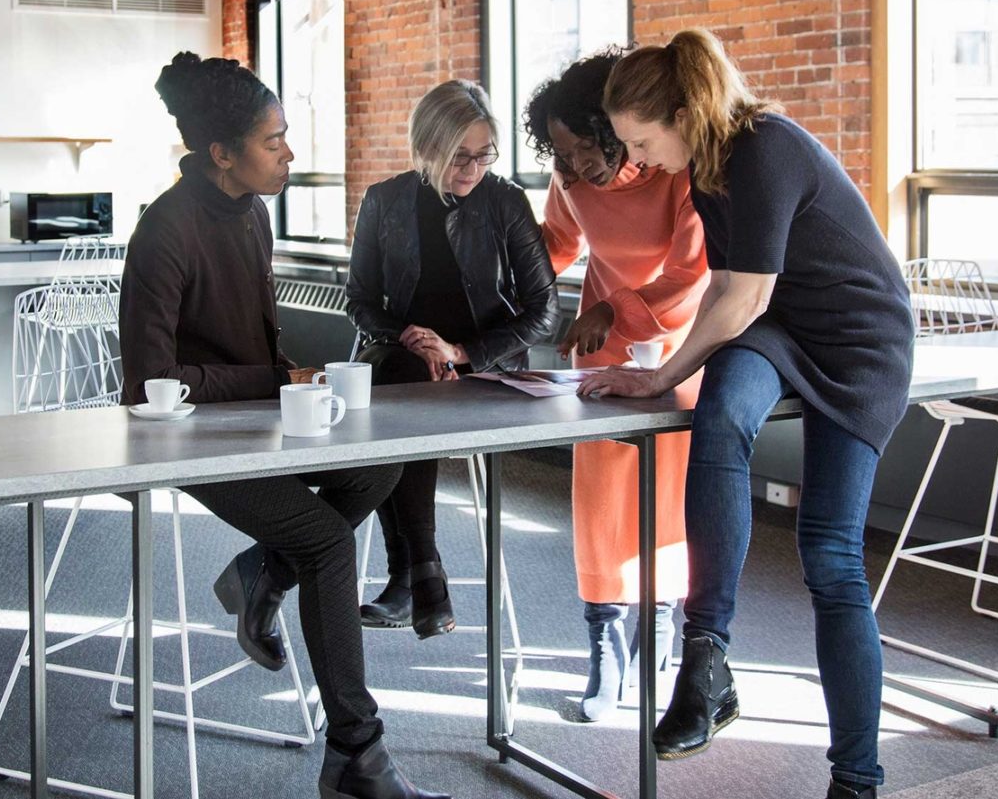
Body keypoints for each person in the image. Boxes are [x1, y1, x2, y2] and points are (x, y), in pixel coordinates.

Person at [578, 30, 912, 799]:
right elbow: (733, 291)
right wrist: (667, 379)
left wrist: (661, 372)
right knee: (720, 416)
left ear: (683, 112)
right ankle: (706, 660)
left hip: (861, 342)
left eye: (641, 140)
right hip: (782, 328)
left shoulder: (767, 147)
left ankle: (857, 778)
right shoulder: (703, 170)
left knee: (830, 557)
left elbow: (744, 295)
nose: (635, 159)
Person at [120, 51, 448, 799]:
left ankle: (262, 572)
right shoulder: (164, 232)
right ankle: (357, 757)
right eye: (275, 141)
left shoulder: (254, 214)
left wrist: (295, 375)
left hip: (253, 421)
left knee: (382, 464)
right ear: (222, 154)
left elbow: (253, 346)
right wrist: (276, 379)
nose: (290, 154)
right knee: (327, 541)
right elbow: (145, 386)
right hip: (182, 435)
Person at [525, 49, 711, 723]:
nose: (572, 168)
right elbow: (556, 242)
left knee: (668, 495)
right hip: (601, 345)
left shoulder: (676, 169)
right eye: (560, 155)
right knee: (601, 497)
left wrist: (617, 307)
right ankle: (604, 639)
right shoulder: (571, 176)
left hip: (680, 339)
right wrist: (503, 277)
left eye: (580, 150)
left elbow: (691, 273)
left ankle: (657, 628)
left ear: (611, 129)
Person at [346, 80, 559, 638]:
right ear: (425, 148)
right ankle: (422, 574)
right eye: (458, 155)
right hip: (404, 362)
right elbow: (360, 302)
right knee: (402, 383)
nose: (472, 168)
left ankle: (413, 576)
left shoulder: (505, 201)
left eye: (483, 154)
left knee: (394, 402)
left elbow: (544, 312)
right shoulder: (384, 200)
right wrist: (413, 336)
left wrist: (462, 353)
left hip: (487, 372)